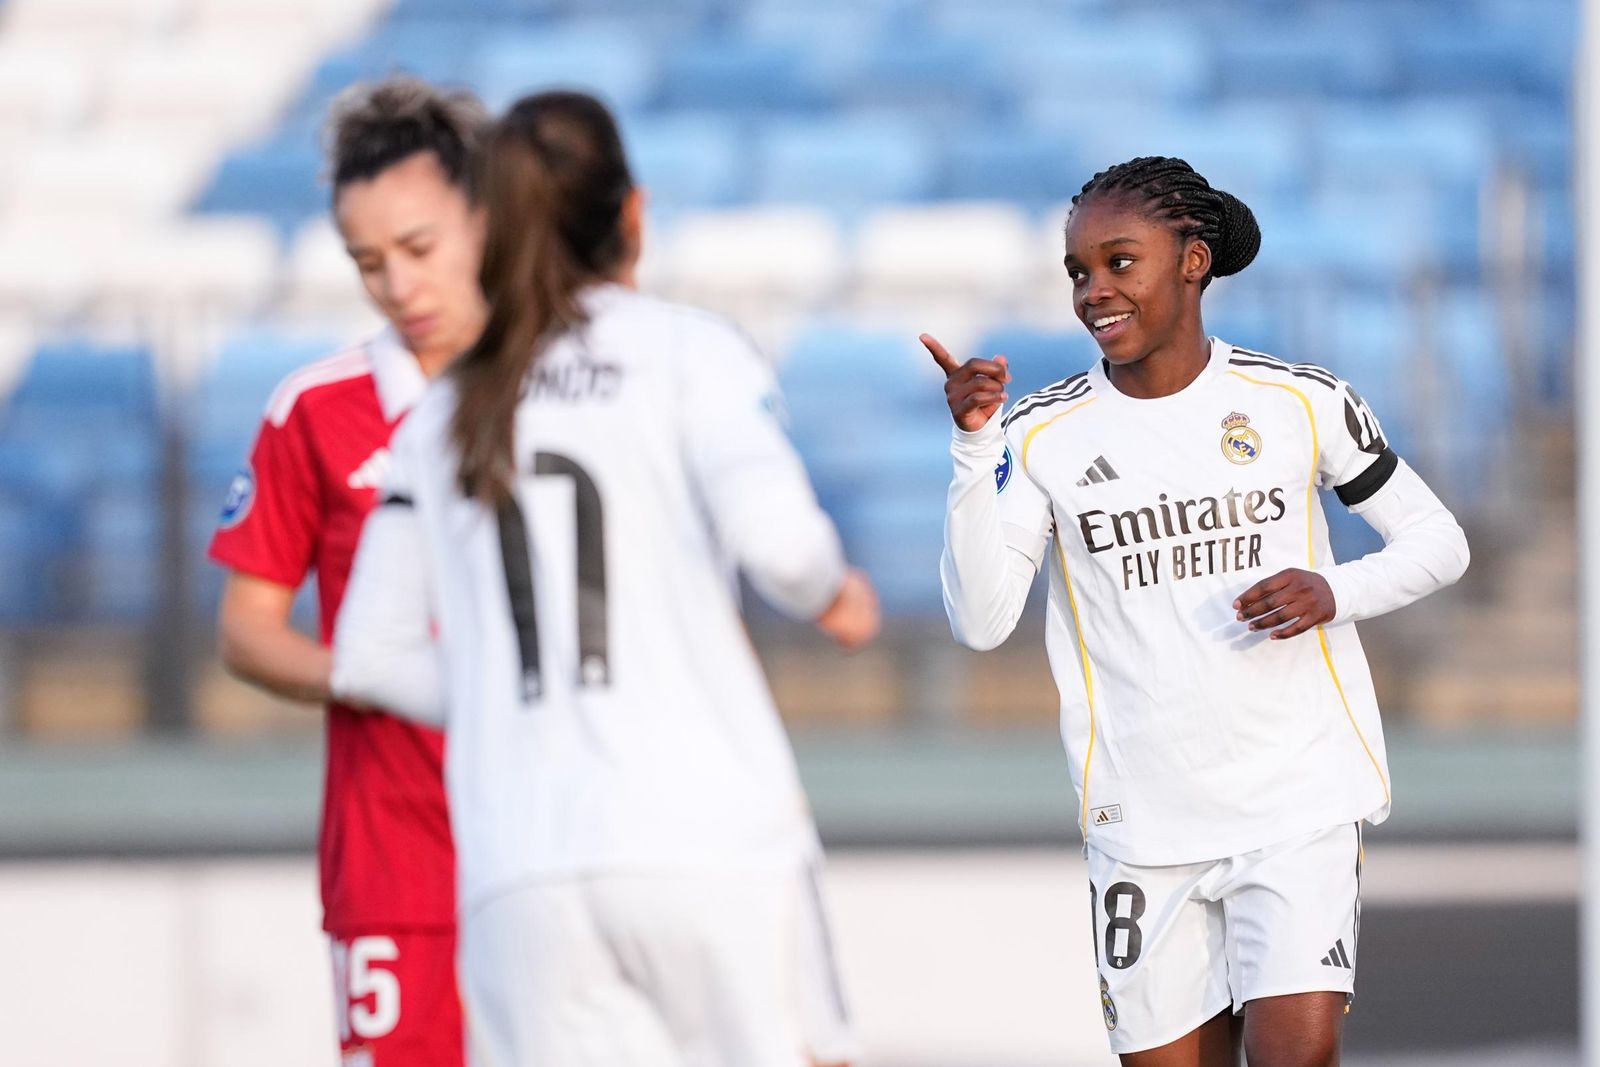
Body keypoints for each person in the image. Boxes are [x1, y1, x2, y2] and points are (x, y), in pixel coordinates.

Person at [330, 90, 879, 1067]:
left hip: (519, 871)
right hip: (709, 841)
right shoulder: (687, 350)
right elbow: (785, 549)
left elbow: (367, 655)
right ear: (632, 211)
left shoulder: (445, 406)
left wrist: (500, 691)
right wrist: (836, 593)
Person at [927, 156, 1469, 1067]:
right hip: (1144, 823)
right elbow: (981, 621)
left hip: (1296, 799)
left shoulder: (1300, 400)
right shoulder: (1040, 431)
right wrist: (974, 450)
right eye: (1078, 272)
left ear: (1192, 261)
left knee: (1299, 1054)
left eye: (1119, 262)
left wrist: (1335, 590)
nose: (1094, 291)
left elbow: (1439, 540)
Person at [209, 76, 489, 1067]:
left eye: (418, 248)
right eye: (369, 263)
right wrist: (373, 672)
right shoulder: (315, 411)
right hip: (396, 865)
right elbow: (246, 628)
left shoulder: (571, 392)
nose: (398, 285)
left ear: (487, 219)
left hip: (562, 842)